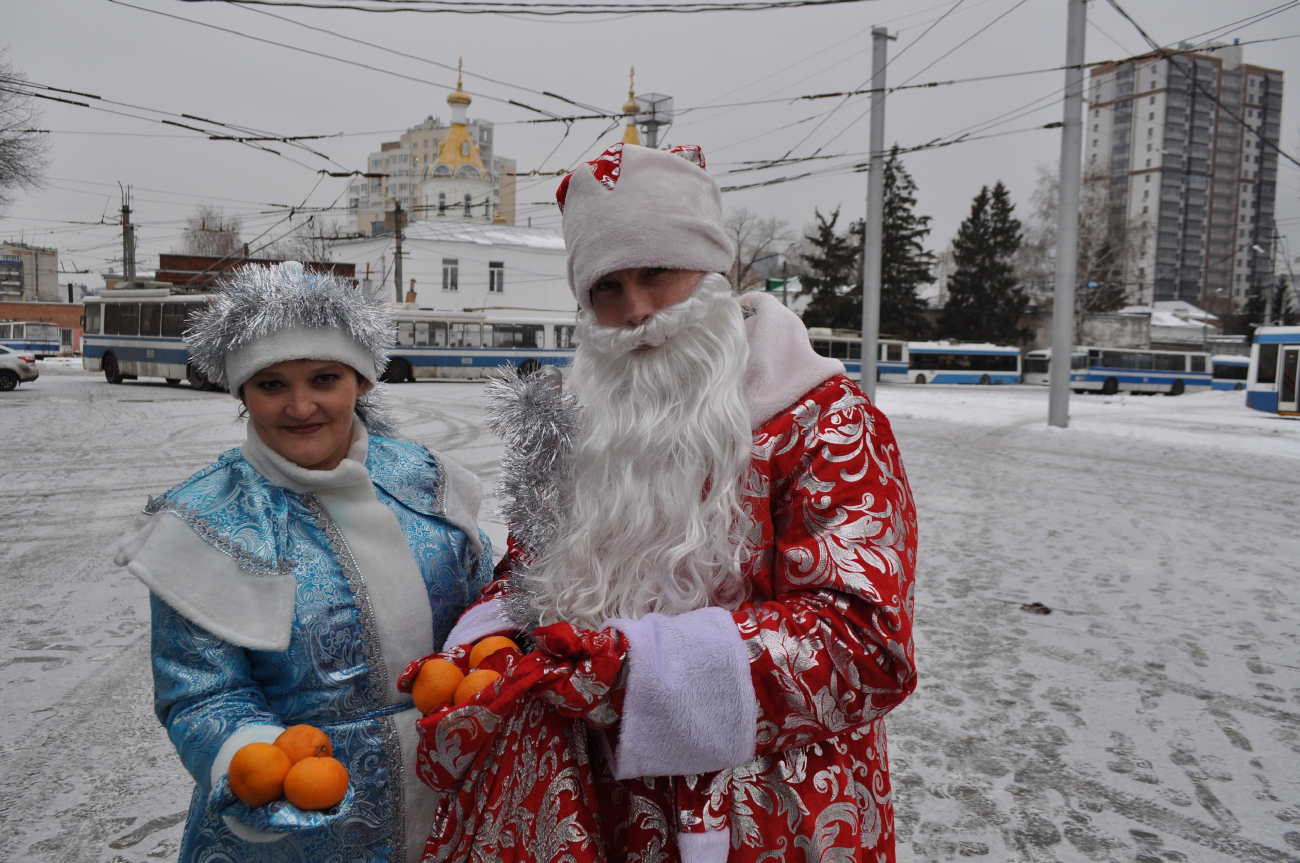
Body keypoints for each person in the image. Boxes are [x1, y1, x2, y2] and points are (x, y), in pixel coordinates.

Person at [426, 143, 918, 863]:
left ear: (714, 272)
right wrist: (493, 642)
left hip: (771, 814)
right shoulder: (580, 429)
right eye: (606, 287)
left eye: (657, 273)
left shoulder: (828, 421)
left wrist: (636, 668)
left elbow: (866, 643)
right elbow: (529, 571)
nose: (636, 312)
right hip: (597, 805)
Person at [115, 261, 492, 863]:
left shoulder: (429, 482)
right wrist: (255, 761)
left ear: (362, 383)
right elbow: (201, 694)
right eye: (271, 385)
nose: (300, 406)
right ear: (241, 392)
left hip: (453, 799)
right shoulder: (203, 523)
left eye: (324, 378)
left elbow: (483, 618)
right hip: (298, 830)